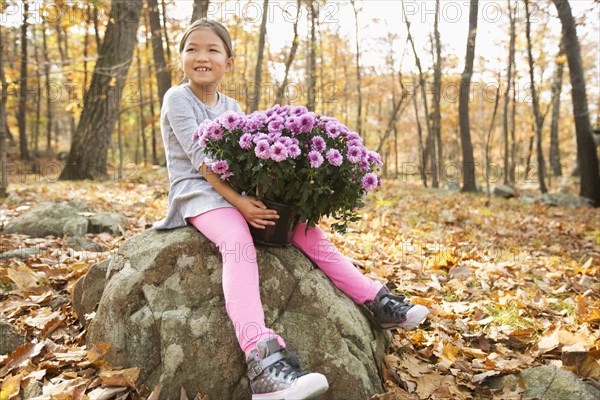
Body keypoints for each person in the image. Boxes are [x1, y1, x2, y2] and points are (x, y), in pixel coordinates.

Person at [154, 18, 430, 400]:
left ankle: (375, 300)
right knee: (237, 239)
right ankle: (263, 362)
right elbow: (202, 161)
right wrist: (241, 205)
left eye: (212, 50)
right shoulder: (177, 98)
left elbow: (242, 159)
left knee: (301, 227)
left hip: (236, 190)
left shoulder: (231, 106)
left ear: (228, 62)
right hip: (197, 193)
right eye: (192, 49)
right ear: (181, 57)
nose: (202, 56)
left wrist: (274, 194)